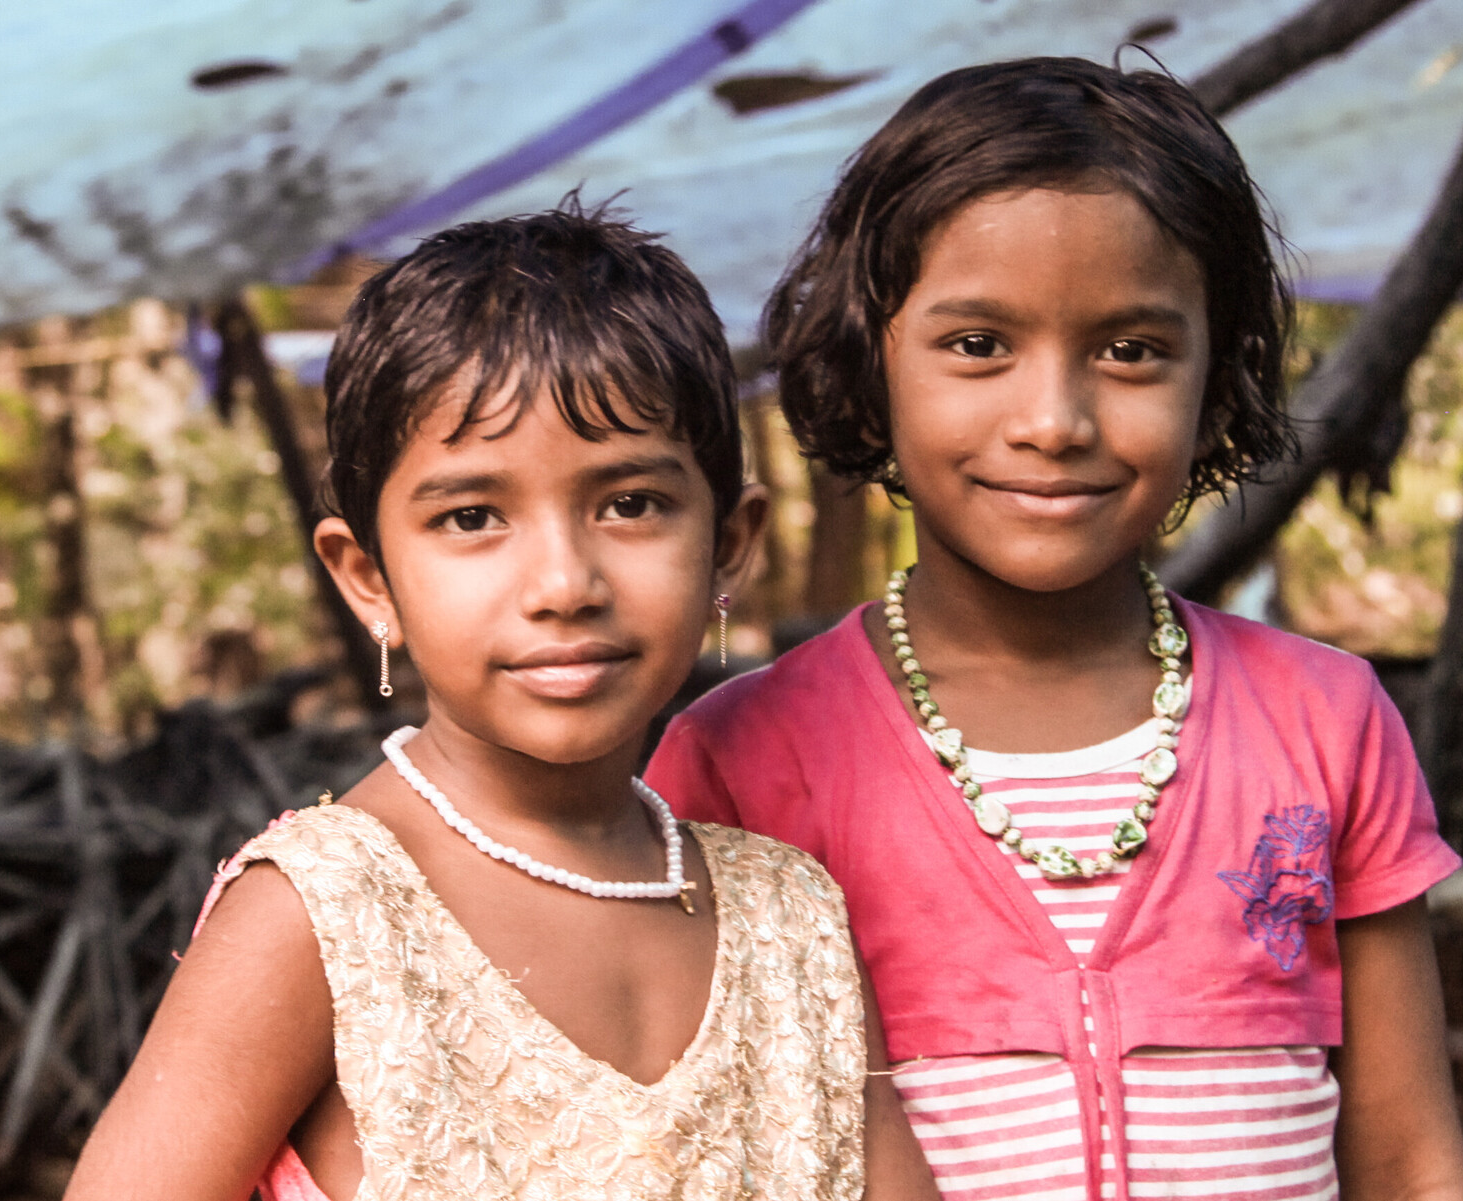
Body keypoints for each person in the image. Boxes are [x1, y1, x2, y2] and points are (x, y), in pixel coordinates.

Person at [648, 59, 1463, 1201]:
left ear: (1218, 375)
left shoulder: (1324, 722)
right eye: (979, 345)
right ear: (868, 356)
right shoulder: (744, 760)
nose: (1053, 421)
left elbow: (1409, 1157)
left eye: (1131, 350)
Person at [67, 204, 935, 1201]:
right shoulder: (323, 918)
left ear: (728, 543)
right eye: (473, 517)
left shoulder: (792, 922)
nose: (564, 582)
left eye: (631, 504)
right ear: (367, 577)